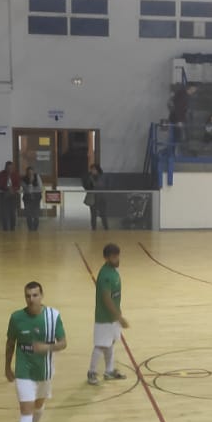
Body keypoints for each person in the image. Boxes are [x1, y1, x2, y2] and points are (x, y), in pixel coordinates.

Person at [6, 282, 66, 422]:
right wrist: (7, 366)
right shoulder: (16, 318)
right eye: (28, 296)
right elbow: (10, 343)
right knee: (26, 409)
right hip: (24, 371)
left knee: (39, 406)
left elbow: (63, 343)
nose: (31, 299)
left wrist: (46, 348)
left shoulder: (53, 316)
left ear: (41, 296)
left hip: (44, 371)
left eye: (34, 295)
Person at [87, 243, 129, 386]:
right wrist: (119, 317)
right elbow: (106, 298)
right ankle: (92, 372)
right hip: (105, 317)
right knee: (100, 345)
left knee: (110, 342)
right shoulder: (105, 275)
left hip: (113, 317)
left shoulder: (114, 271)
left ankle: (109, 370)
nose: (117, 258)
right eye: (113, 256)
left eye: (118, 255)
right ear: (106, 258)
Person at [83, 163, 108, 230]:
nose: (92, 171)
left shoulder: (102, 177)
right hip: (93, 199)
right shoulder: (89, 177)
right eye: (92, 169)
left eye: (94, 169)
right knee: (93, 215)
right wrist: (89, 179)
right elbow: (86, 186)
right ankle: (94, 228)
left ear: (97, 170)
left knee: (103, 214)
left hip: (102, 198)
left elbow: (104, 186)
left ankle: (106, 228)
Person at [0, 161, 21, 231]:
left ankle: (12, 228)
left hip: (13, 197)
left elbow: (18, 185)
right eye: (8, 168)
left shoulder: (16, 174)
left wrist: (13, 189)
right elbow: (0, 184)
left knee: (12, 214)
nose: (10, 169)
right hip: (4, 196)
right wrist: (7, 187)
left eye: (11, 168)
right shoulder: (1, 174)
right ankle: (5, 229)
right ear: (6, 167)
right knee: (4, 214)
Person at [21, 164, 44, 232]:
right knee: (29, 215)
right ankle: (30, 229)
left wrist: (31, 188)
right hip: (27, 199)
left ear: (33, 172)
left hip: (36, 199)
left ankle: (35, 229)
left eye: (32, 173)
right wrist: (31, 183)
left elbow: (40, 188)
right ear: (27, 173)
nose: (31, 175)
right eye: (29, 173)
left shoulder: (37, 176)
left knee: (36, 215)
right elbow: (28, 191)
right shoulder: (23, 180)